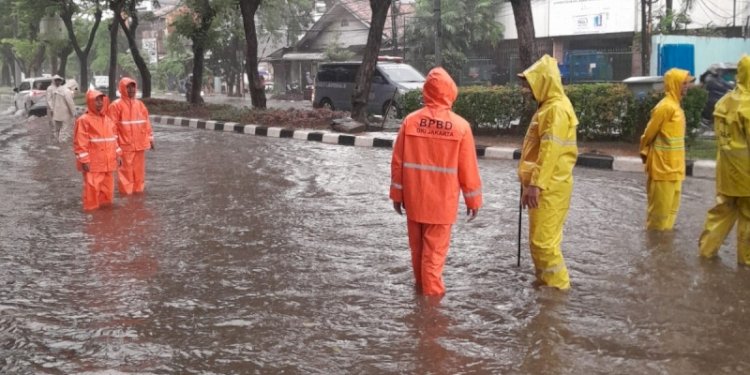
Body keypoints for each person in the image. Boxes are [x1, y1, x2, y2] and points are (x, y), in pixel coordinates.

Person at [389, 67, 482, 296]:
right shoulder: (460, 127)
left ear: (426, 91)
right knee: (433, 260)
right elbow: (467, 168)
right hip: (441, 206)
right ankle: (431, 314)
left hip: (414, 201)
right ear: (451, 91)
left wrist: (397, 196)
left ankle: (420, 300)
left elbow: (398, 163)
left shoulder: (410, 122)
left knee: (418, 255)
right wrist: (473, 200)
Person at [517, 54, 578, 291]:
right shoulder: (550, 107)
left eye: (531, 83)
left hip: (549, 188)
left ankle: (559, 293)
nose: (528, 89)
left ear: (543, 81)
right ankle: (545, 287)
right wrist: (529, 183)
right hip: (545, 186)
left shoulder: (556, 110)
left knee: (544, 244)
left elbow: (550, 151)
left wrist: (535, 185)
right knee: (540, 242)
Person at [699, 55, 750, 264]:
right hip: (747, 174)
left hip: (726, 171)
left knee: (722, 211)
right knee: (748, 216)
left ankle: (706, 250)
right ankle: (746, 260)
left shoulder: (724, 101)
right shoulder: (748, 105)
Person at [639, 68, 694, 231]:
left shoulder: (676, 107)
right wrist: (644, 153)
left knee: (670, 216)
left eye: (687, 83)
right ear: (674, 84)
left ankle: (663, 247)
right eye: (684, 83)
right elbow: (648, 134)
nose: (687, 87)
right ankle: (655, 248)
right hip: (662, 170)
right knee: (658, 218)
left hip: (676, 170)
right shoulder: (664, 108)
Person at [73, 89, 122, 211]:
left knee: (107, 193)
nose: (100, 103)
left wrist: (118, 154)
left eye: (101, 100)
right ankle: (92, 218)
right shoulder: (84, 120)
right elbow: (80, 143)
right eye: (96, 100)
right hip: (93, 166)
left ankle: (104, 219)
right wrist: (84, 161)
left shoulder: (108, 120)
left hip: (108, 164)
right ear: (90, 102)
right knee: (92, 194)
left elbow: (114, 139)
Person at [109, 77, 154, 195]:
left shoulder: (140, 105)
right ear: (122, 89)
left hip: (139, 146)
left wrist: (150, 138)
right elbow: (111, 128)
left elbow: (146, 123)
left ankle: (138, 196)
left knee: (139, 173)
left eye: (133, 87)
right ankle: (127, 197)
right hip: (125, 147)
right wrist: (115, 147)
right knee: (125, 174)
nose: (131, 90)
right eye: (128, 87)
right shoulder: (116, 106)